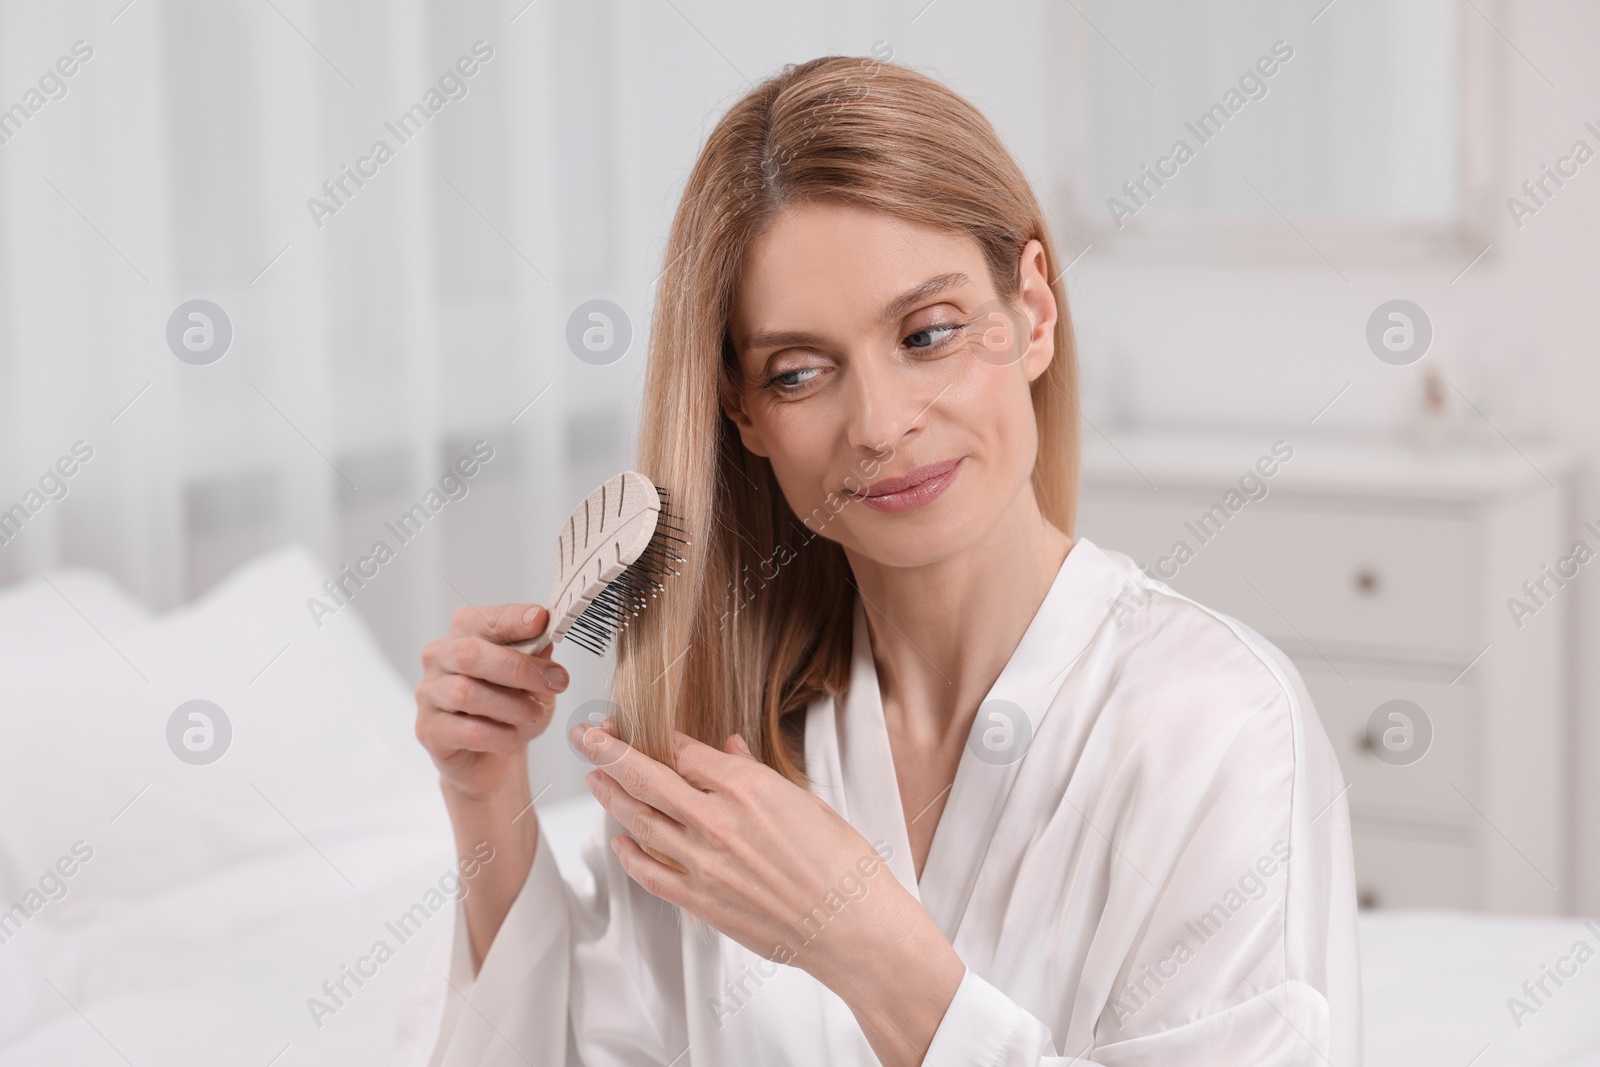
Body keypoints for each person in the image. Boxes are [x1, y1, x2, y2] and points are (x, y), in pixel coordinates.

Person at [406, 55, 1360, 1066]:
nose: (880, 421)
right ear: (745, 410)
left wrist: (862, 945)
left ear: (1031, 313)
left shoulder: (1217, 724)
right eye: (801, 370)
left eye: (928, 332)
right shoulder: (724, 739)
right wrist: (486, 795)